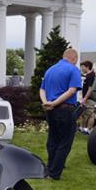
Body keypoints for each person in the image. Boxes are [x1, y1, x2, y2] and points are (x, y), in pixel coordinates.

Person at [39, 48, 82, 180]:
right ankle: (54, 173)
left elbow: (42, 89)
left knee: (53, 139)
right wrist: (55, 103)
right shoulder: (73, 70)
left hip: (50, 111)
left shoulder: (50, 70)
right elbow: (72, 90)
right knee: (65, 142)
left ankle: (49, 169)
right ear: (74, 58)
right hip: (65, 109)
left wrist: (47, 102)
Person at [78, 60, 96, 134]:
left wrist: (85, 98)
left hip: (89, 99)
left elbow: (90, 89)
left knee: (88, 114)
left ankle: (87, 130)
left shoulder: (90, 76)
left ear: (87, 67)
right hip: (89, 98)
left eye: (82, 67)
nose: (82, 69)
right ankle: (86, 129)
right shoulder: (89, 75)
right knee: (90, 114)